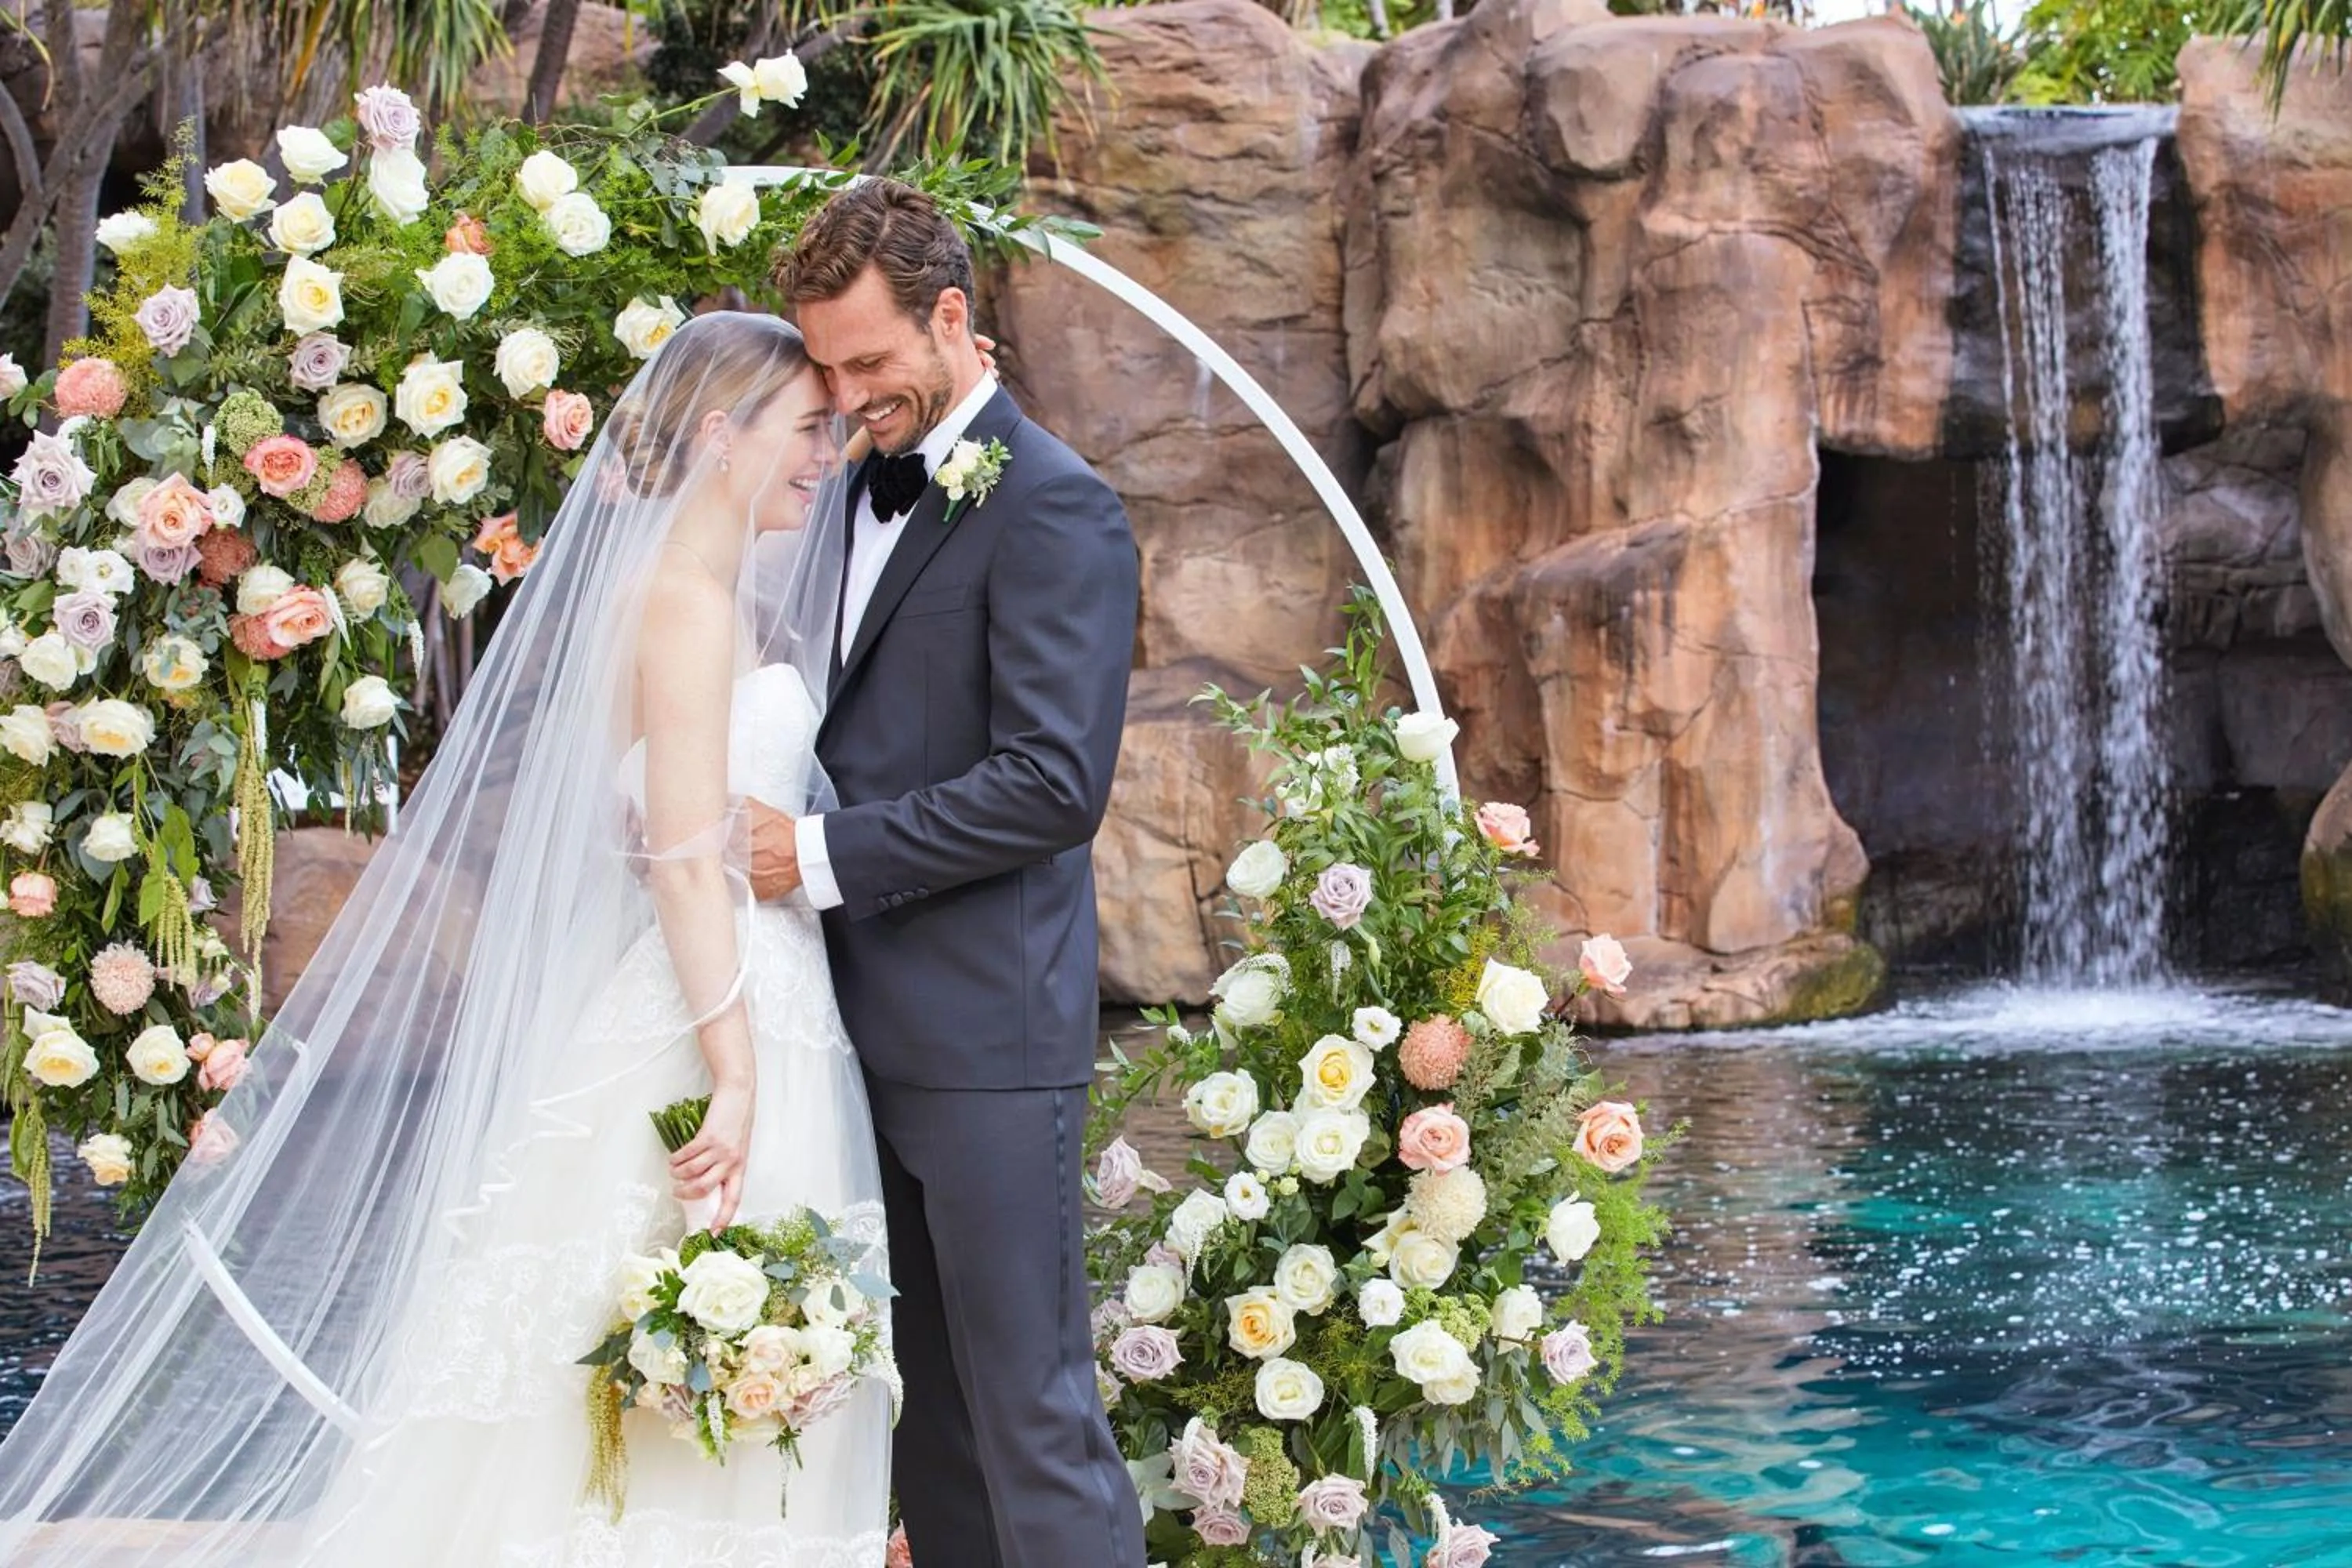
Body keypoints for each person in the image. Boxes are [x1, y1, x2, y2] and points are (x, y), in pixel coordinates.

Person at [0, 313, 897, 1565]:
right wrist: (735, 1077)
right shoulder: (684, 607)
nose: (828, 453)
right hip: (715, 1018)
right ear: (717, 436)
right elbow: (687, 867)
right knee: (687, 1342)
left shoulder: (691, 594)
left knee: (690, 1356)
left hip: (748, 997)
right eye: (808, 428)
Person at [757, 179, 1147, 1568]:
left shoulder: (1059, 508)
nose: (853, 397)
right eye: (830, 369)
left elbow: (1055, 786)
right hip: (851, 1035)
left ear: (952, 317)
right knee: (929, 1433)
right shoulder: (837, 493)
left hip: (992, 1038)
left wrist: (809, 857)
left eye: (873, 363)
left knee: (1031, 1416)